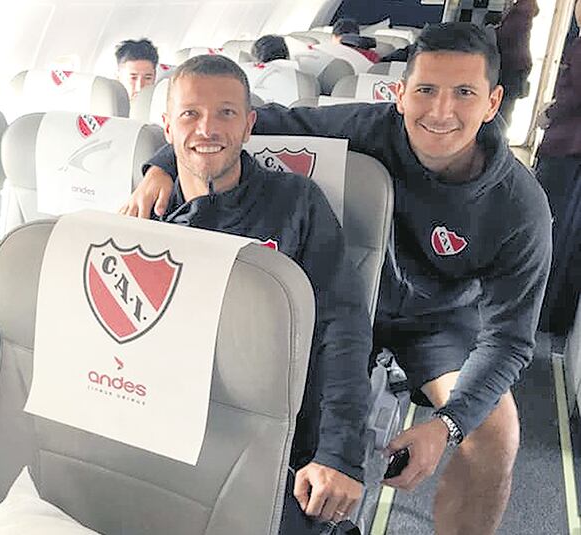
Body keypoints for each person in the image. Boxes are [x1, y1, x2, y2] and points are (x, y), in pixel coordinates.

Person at [122, 22, 551, 535]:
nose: (440, 111)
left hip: (434, 324)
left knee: (494, 431)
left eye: (464, 93)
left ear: (492, 101)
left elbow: (508, 341)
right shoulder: (365, 128)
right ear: (399, 94)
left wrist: (446, 426)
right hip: (345, 292)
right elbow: (245, 122)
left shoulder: (520, 207)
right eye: (426, 91)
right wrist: (162, 165)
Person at [155, 54, 372, 533]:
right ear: (166, 127)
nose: (207, 128)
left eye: (226, 113)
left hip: (279, 437)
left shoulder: (296, 202)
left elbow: (343, 328)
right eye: (190, 114)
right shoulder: (143, 217)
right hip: (169, 427)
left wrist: (339, 452)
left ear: (250, 125)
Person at [536, 0, 581, 335]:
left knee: (546, 227)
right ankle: (552, 313)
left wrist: (549, 113)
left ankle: (537, 310)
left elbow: (573, 97)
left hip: (566, 148)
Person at [492, 0, 540, 127]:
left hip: (512, 67)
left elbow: (507, 35)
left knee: (502, 111)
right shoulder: (522, 9)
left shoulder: (522, 10)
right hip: (516, 67)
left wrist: (490, 31)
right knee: (504, 109)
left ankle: (499, 141)